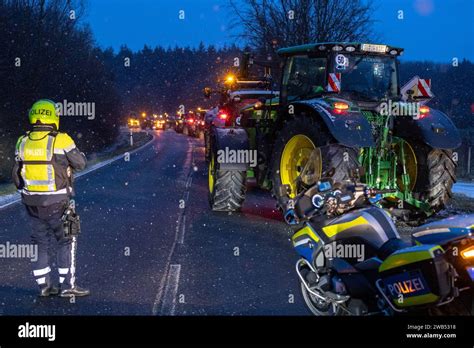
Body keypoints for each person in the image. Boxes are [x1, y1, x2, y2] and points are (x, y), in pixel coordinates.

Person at [12, 99, 90, 297]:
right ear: (54, 116)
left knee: (40, 242)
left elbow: (17, 174)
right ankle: (67, 286)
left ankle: (44, 286)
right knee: (67, 240)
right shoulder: (61, 139)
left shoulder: (22, 141)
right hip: (59, 202)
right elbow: (80, 164)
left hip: (31, 204)